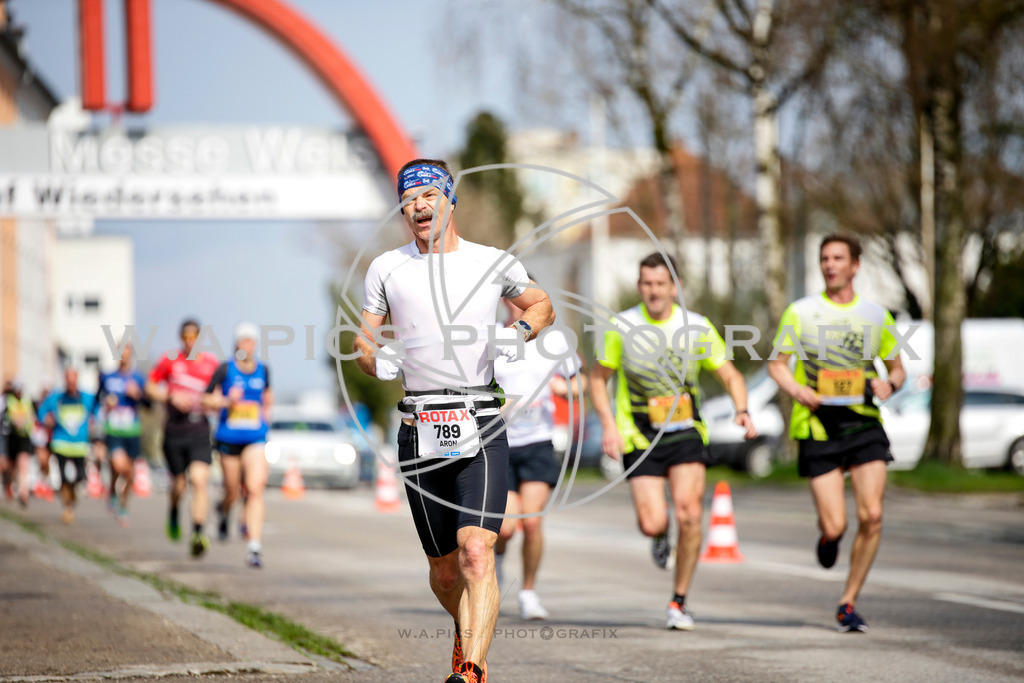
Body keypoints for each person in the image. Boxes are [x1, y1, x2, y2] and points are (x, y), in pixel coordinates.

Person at [355, 158, 554, 683]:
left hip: (480, 421)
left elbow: (541, 304)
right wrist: (376, 359)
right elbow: (363, 342)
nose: (418, 206)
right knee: (445, 572)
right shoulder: (386, 268)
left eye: (428, 195)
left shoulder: (491, 261)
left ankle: (470, 670)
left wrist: (519, 333)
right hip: (418, 429)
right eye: (408, 199)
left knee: (476, 553)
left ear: (450, 200)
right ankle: (469, 633)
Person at [590, 252, 757, 630]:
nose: (654, 291)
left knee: (690, 514)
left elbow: (730, 375)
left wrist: (742, 409)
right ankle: (660, 535)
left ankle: (678, 601)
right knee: (652, 522)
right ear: (639, 286)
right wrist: (609, 426)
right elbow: (597, 379)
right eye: (647, 283)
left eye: (661, 284)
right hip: (639, 435)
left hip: (685, 431)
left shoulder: (696, 327)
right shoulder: (622, 326)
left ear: (675, 287)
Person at [767, 233, 905, 633]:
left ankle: (848, 603)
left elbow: (897, 369)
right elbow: (777, 365)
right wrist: (798, 390)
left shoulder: (877, 316)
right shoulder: (801, 312)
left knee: (872, 515)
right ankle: (828, 539)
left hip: (863, 425)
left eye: (838, 258)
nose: (830, 265)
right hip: (818, 426)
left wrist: (889, 385)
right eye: (825, 258)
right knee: (835, 526)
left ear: (855, 265)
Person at [492, 298, 582, 621]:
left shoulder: (553, 341)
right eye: (516, 299)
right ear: (505, 301)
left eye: (528, 300)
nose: (522, 306)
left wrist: (564, 387)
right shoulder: (494, 337)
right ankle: (498, 562)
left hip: (538, 443)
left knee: (531, 523)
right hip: (501, 443)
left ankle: (528, 593)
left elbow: (580, 382)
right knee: (504, 530)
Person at [146, 319, 220, 557]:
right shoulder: (170, 360)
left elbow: (219, 396)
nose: (190, 342)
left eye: (194, 337)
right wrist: (170, 397)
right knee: (179, 485)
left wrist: (212, 402)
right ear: (181, 338)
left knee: (199, 480)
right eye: (185, 338)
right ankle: (174, 510)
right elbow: (150, 387)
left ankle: (198, 532)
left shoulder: (211, 364)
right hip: (174, 430)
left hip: (199, 429)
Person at [203, 322, 274, 568]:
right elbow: (205, 399)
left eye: (250, 341)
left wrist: (268, 413)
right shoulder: (225, 369)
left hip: (255, 438)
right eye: (243, 340)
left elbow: (268, 395)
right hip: (228, 439)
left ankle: (254, 547)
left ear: (255, 344)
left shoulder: (263, 370)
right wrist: (225, 401)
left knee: (255, 488)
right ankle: (224, 511)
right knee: (232, 491)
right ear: (236, 344)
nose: (247, 345)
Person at [36, 368, 99, 525]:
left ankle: (71, 498)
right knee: (63, 476)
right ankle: (67, 506)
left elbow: (99, 410)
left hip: (80, 444)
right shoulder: (56, 397)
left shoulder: (87, 397)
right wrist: (46, 419)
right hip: (61, 441)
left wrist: (95, 421)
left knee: (80, 476)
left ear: (77, 380)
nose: (71, 384)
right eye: (68, 381)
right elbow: (41, 411)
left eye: (73, 381)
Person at [97, 343, 147, 526]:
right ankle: (112, 490)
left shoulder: (138, 377)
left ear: (131, 354)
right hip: (113, 429)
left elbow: (148, 404)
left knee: (130, 472)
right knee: (119, 466)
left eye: (126, 351)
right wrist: (105, 405)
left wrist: (138, 395)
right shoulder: (107, 377)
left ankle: (124, 505)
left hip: (132, 430)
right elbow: (97, 399)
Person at [2, 380, 35, 507]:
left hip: (24, 437)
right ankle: (9, 483)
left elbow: (33, 417)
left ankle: (23, 493)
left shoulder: (27, 401)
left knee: (22, 464)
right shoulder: (7, 401)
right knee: (11, 467)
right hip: (11, 437)